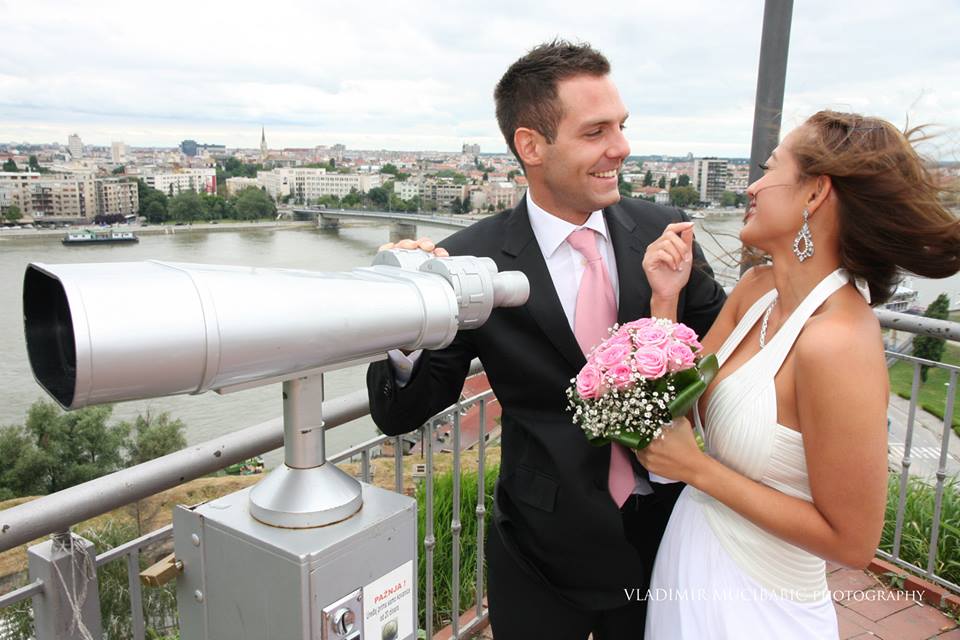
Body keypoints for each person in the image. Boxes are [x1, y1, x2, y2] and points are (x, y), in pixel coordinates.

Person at [366, 40, 726, 639]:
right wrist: (408, 315)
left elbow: (725, 339)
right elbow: (401, 412)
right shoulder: (468, 259)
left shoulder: (663, 230)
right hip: (540, 546)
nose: (622, 148)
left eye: (622, 126)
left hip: (669, 532)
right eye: (596, 132)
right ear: (531, 146)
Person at [636, 110, 960, 638]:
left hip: (758, 607)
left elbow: (852, 543)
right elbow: (677, 409)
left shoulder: (838, 342)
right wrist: (664, 302)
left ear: (815, 193)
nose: (752, 186)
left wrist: (696, 470)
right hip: (688, 556)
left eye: (769, 169)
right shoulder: (754, 291)